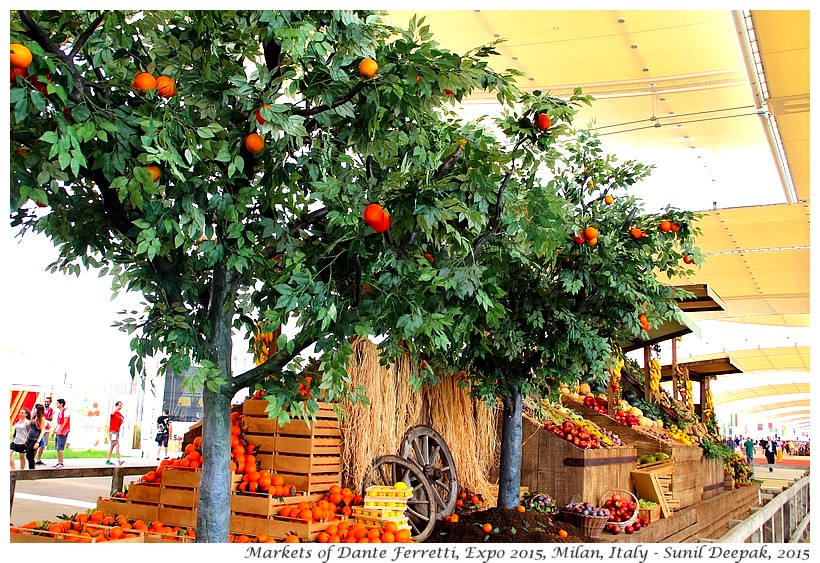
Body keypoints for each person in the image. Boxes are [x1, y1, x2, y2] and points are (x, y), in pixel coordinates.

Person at [26, 404, 47, 469]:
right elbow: (30, 428)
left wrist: (38, 442)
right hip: (30, 437)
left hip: (35, 438)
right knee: (29, 454)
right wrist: (26, 437)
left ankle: (32, 469)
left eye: (36, 408)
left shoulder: (41, 419)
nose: (34, 410)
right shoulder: (34, 417)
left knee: (29, 454)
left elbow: (43, 430)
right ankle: (31, 468)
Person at [34, 396, 54, 466]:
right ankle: (33, 458)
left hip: (47, 428)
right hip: (40, 428)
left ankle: (38, 459)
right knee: (36, 443)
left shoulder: (51, 410)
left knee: (43, 444)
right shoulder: (40, 408)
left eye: (47, 402)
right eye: (45, 402)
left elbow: (51, 418)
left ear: (50, 402)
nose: (46, 403)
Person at [106, 401, 125, 465]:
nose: (121, 407)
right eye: (119, 405)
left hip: (117, 431)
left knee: (112, 446)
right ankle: (119, 459)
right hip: (113, 431)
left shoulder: (119, 414)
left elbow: (122, 420)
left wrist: (121, 422)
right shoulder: (114, 413)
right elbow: (111, 414)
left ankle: (108, 460)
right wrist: (117, 407)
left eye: (121, 406)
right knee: (117, 444)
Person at [53, 398, 70, 468]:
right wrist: (55, 430)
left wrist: (61, 429)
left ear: (61, 404)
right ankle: (58, 461)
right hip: (59, 430)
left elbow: (65, 421)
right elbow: (59, 422)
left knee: (60, 446)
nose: (56, 405)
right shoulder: (60, 412)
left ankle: (61, 462)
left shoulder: (66, 411)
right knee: (57, 447)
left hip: (63, 431)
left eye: (57, 403)